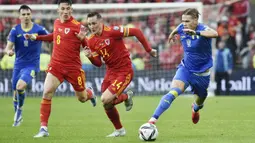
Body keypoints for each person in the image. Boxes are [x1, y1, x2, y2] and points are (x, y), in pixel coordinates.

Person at [76, 12, 157, 137]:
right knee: (107, 104)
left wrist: (149, 50)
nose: (92, 26)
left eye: (94, 23)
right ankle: (120, 130)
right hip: (111, 71)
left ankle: (125, 96)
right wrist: (90, 57)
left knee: (104, 98)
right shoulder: (91, 40)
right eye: (90, 24)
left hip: (124, 71)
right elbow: (98, 63)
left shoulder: (112, 31)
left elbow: (136, 31)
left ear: (101, 22)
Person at [25, 0, 97, 138]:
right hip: (56, 65)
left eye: (68, 9)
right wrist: (36, 37)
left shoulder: (78, 26)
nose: (65, 11)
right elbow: (54, 36)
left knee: (82, 98)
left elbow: (87, 47)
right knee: (46, 92)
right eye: (62, 8)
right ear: (58, 10)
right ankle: (43, 129)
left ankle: (90, 94)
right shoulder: (57, 22)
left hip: (73, 68)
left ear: (71, 10)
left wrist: (83, 40)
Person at [146, 8, 218, 125]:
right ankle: (152, 121)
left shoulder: (203, 29)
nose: (184, 23)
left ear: (196, 20)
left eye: (187, 21)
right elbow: (178, 27)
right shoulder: (182, 27)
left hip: (202, 74)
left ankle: (195, 108)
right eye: (183, 20)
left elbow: (215, 34)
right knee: (173, 92)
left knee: (200, 100)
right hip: (186, 69)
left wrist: (196, 33)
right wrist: (172, 33)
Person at [4, 5, 49, 127]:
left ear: (31, 15)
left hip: (32, 65)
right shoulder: (15, 30)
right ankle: (18, 116)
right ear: (19, 16)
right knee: (15, 91)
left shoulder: (39, 29)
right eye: (23, 14)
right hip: (18, 65)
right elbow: (8, 47)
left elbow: (52, 37)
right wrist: (9, 52)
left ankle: (19, 111)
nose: (26, 16)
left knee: (20, 86)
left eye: (28, 14)